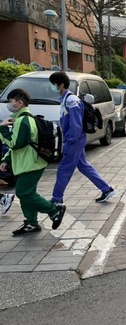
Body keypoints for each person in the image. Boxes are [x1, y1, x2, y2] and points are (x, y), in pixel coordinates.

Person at [0, 89, 66, 235]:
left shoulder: (24, 120)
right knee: (27, 193)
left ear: (19, 103)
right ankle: (31, 223)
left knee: (24, 193)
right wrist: (6, 159)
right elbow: (18, 145)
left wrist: (2, 129)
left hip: (29, 165)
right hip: (26, 164)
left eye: (10, 102)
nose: (8, 105)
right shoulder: (21, 119)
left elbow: (14, 143)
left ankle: (54, 210)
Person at [49, 71, 115, 204]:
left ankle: (56, 199)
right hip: (75, 140)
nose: (52, 86)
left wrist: (70, 141)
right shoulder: (65, 99)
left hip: (74, 140)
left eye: (54, 84)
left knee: (64, 169)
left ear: (61, 85)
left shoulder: (71, 101)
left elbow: (76, 124)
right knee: (84, 166)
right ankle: (106, 189)